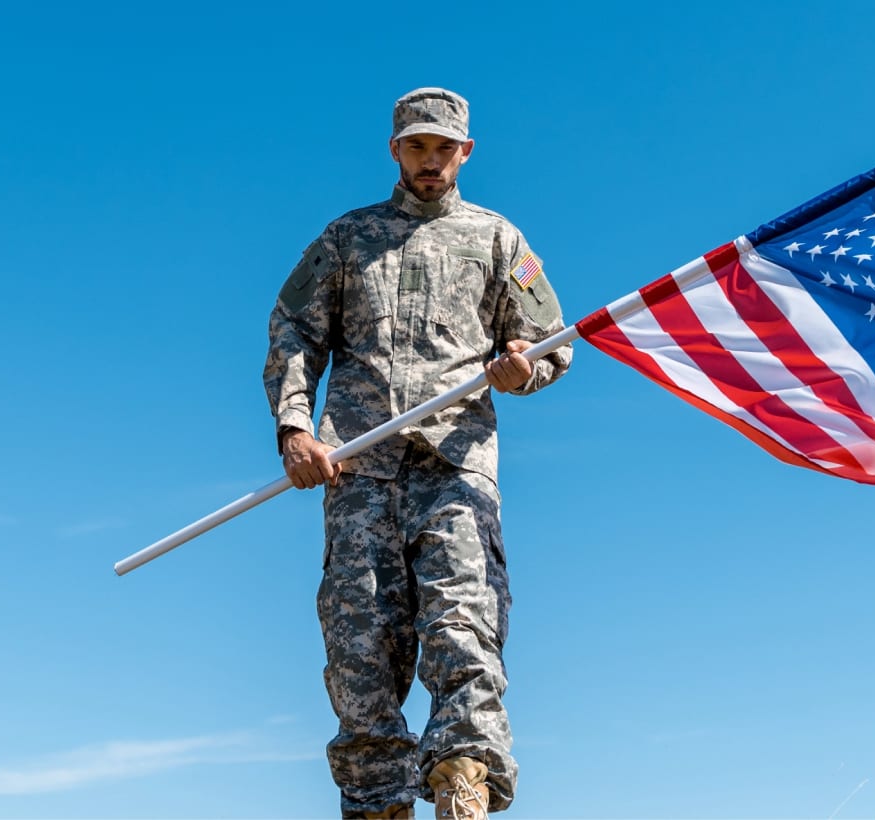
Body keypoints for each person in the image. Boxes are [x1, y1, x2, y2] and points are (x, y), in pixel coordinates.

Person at [262, 88, 571, 819]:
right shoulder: (346, 238)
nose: (430, 162)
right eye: (416, 147)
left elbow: (548, 339)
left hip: (454, 464)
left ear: (466, 153)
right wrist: (294, 427)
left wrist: (524, 364)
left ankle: (462, 785)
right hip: (358, 469)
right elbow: (294, 334)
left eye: (444, 148)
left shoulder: (498, 240)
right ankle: (376, 804)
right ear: (394, 151)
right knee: (359, 647)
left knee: (461, 625)